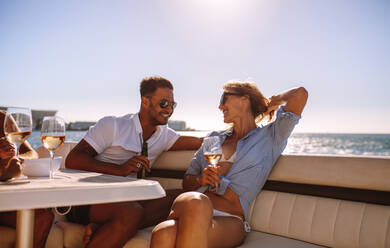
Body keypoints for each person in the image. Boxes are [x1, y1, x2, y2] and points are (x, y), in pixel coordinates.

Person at [150, 81, 308, 248]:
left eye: (224, 98)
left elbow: (300, 94)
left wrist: (273, 101)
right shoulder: (214, 138)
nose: (220, 106)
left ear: (244, 98)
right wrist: (200, 180)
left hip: (231, 219)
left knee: (165, 233)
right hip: (193, 205)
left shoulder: (271, 137)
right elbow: (187, 180)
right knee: (196, 202)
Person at [65, 76, 203, 248]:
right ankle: (111, 221)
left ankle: (105, 225)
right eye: (164, 103)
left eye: (172, 105)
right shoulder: (113, 125)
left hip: (127, 199)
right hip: (87, 198)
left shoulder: (164, 135)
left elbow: (200, 141)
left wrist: (235, 137)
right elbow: (73, 159)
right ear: (145, 101)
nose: (169, 109)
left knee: (182, 199)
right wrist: (119, 169)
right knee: (132, 212)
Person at [0, 110, 54, 248]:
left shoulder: (2, 117)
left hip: (6, 200)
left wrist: (17, 156)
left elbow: (32, 153)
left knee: (43, 217)